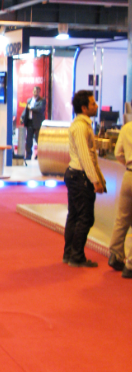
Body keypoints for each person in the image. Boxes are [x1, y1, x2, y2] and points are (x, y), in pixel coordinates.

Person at [63, 90, 106, 268]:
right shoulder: (81, 127)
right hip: (80, 176)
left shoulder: (81, 125)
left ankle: (70, 254)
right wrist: (95, 180)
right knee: (85, 217)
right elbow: (85, 156)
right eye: (93, 103)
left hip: (75, 174)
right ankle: (76, 256)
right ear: (84, 108)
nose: (96, 106)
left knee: (74, 216)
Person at [107, 121, 132, 278]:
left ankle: (115, 255)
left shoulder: (127, 128)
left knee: (122, 218)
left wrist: (127, 163)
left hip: (128, 175)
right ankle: (130, 265)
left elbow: (118, 154)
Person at [20, 86, 46, 160]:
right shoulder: (29, 100)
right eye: (34, 91)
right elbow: (26, 110)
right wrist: (22, 117)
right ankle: (28, 155)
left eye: (37, 91)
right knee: (29, 140)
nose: (35, 93)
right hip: (30, 122)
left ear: (39, 92)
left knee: (38, 140)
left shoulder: (42, 100)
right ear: (32, 91)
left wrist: (31, 108)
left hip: (38, 123)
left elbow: (40, 109)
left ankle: (39, 155)